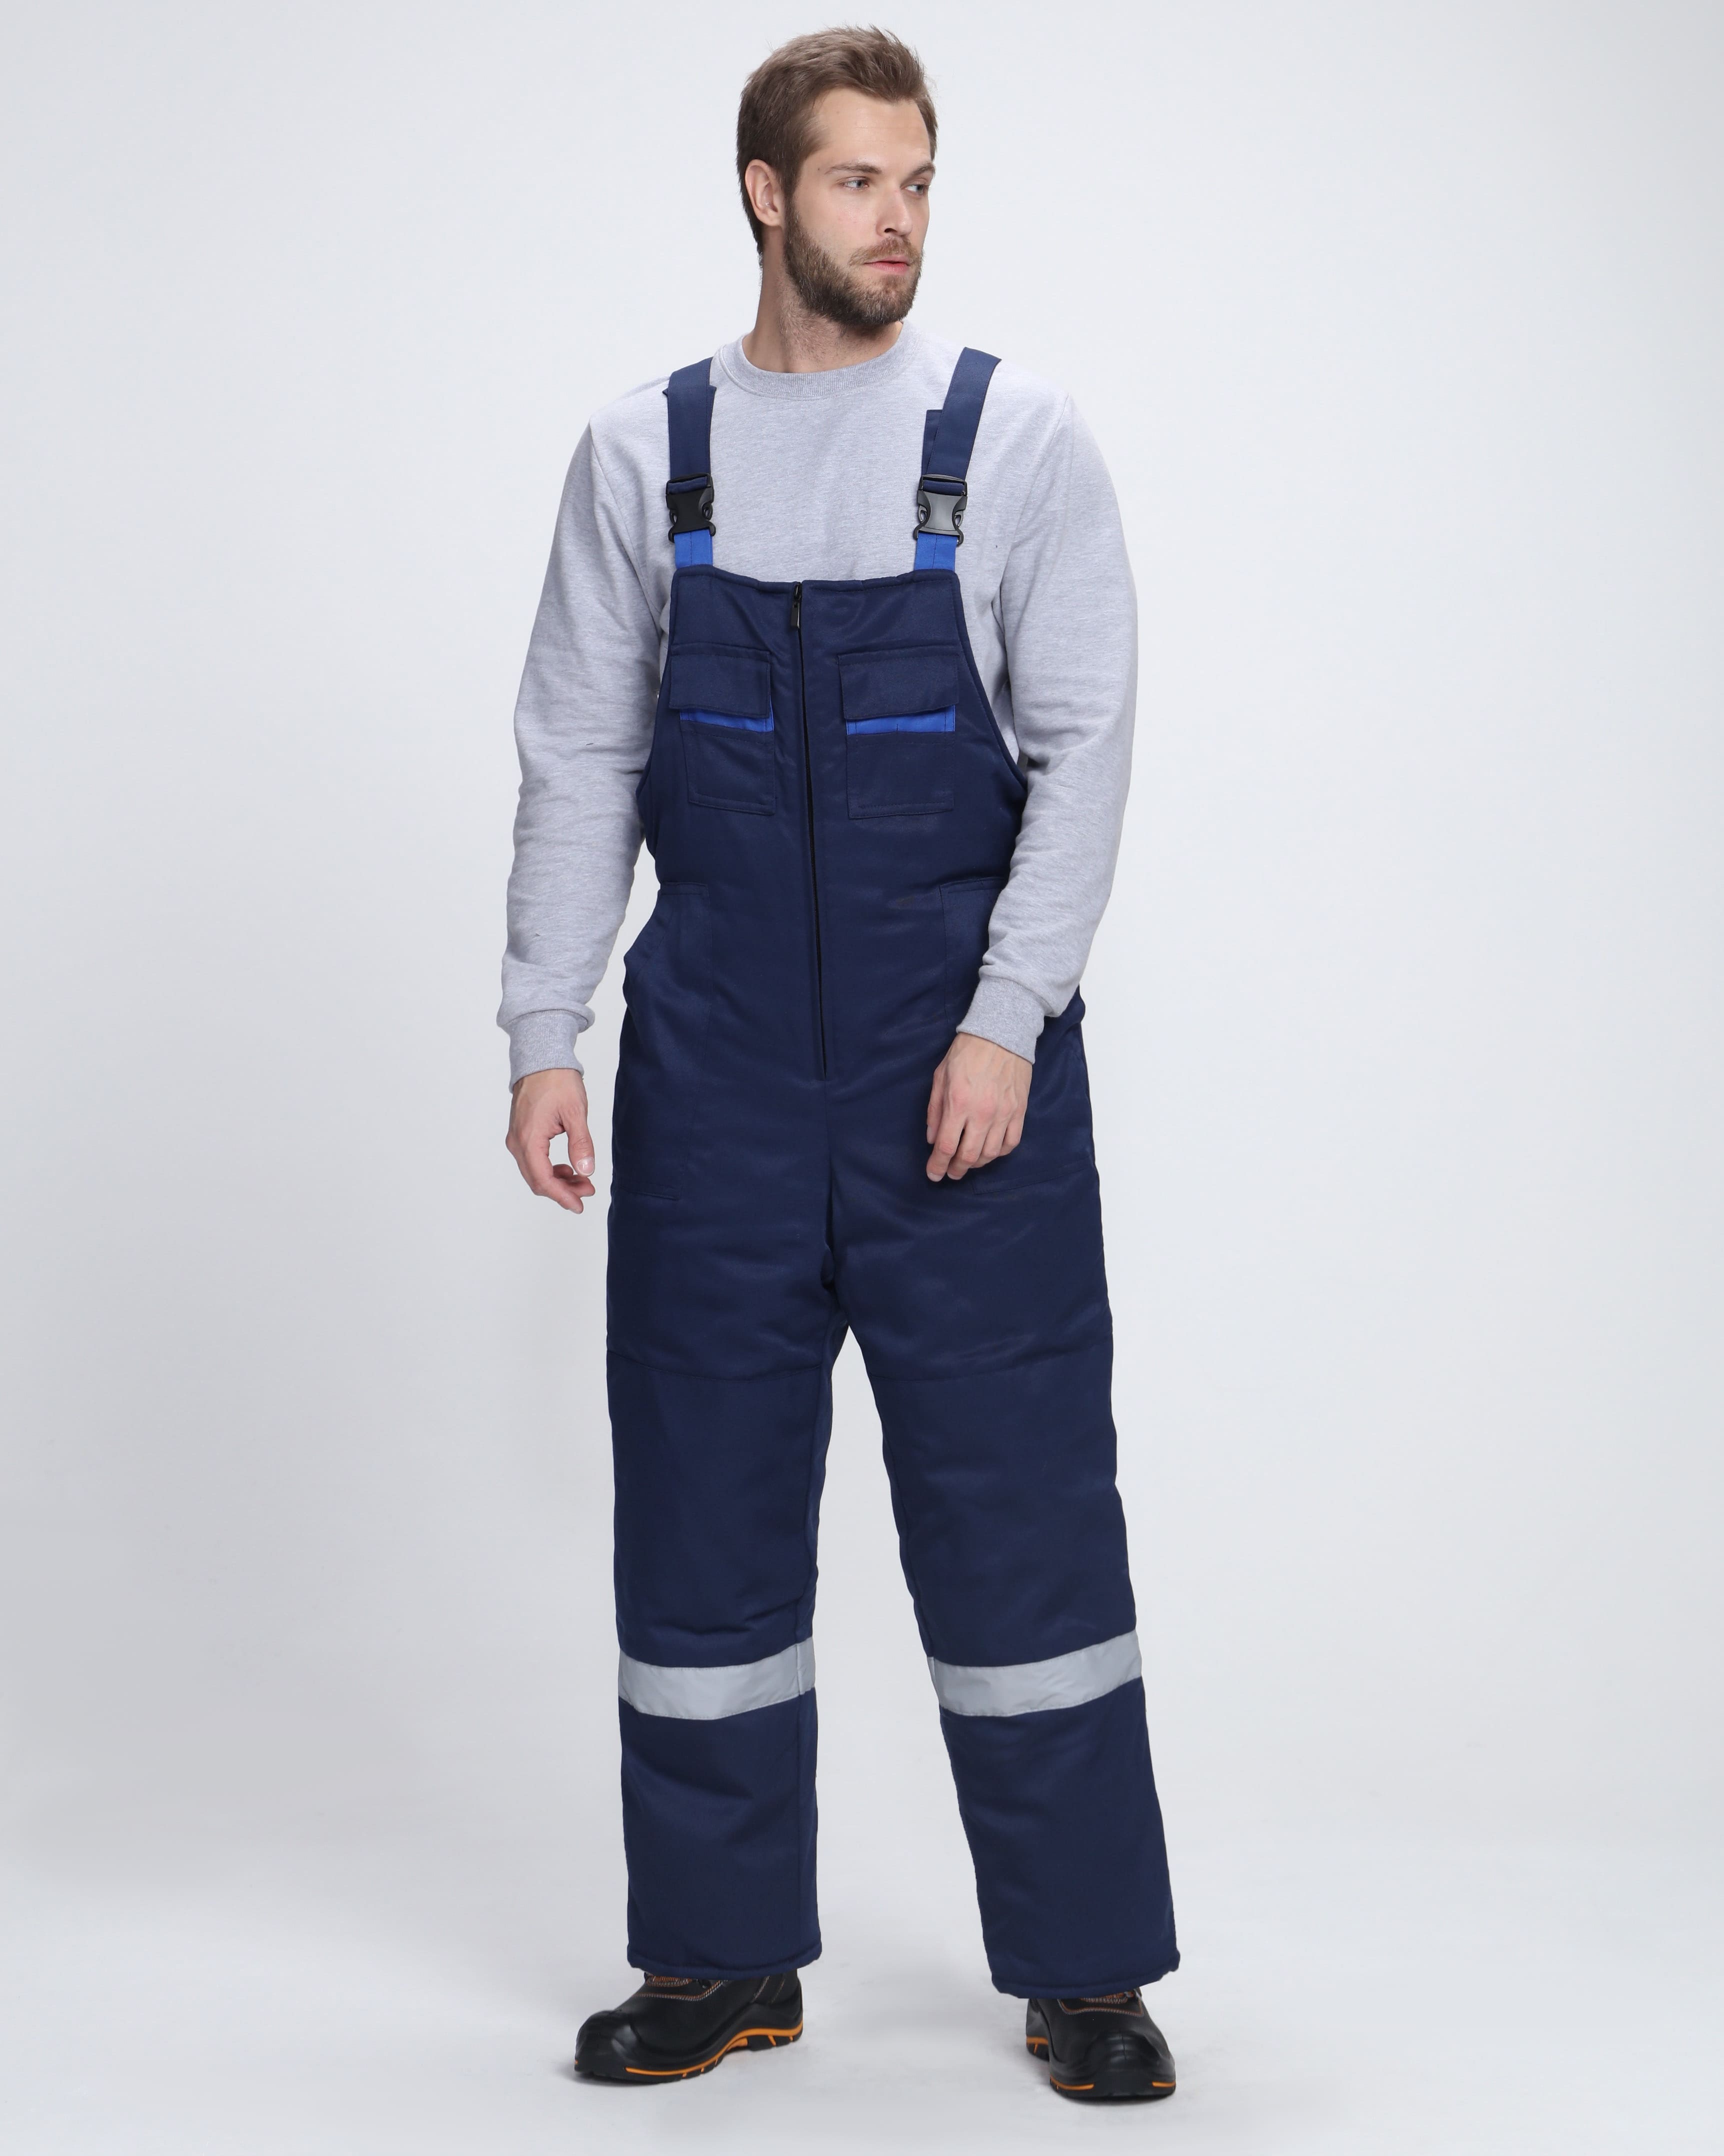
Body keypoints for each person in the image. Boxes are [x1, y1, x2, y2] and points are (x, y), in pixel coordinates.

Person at [500, 26, 1178, 2104]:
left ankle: (1084, 1973)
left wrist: (1004, 1020)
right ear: (765, 193)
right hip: (711, 1076)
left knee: (1020, 1517)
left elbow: (1085, 754)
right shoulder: (647, 454)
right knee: (700, 1514)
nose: (899, 219)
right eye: (860, 180)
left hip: (959, 1089)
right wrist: (544, 1028)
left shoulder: (1017, 438)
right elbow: (579, 753)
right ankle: (718, 1959)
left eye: (919, 180)